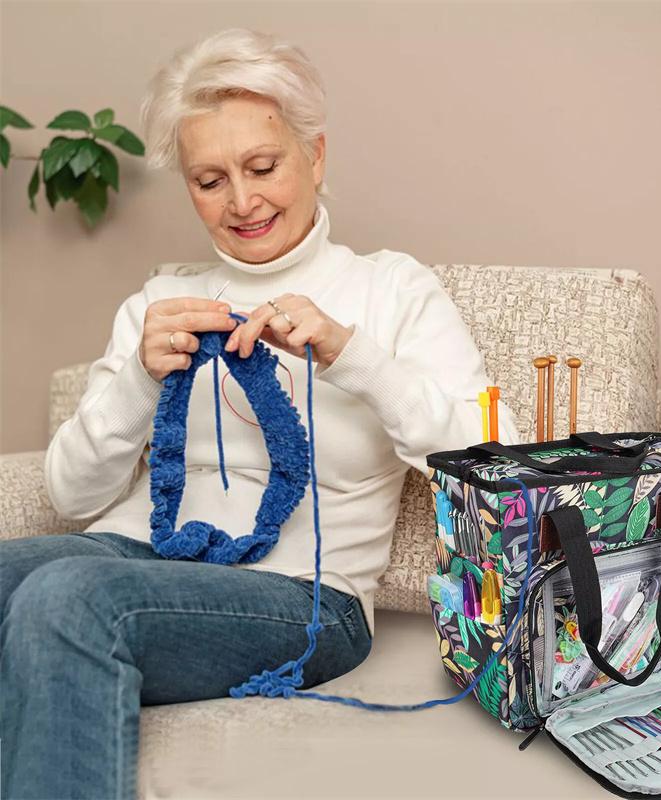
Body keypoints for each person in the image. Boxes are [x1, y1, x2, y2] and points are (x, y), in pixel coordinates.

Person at [0, 28, 520, 799]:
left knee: (66, 598)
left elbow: (497, 460)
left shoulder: (391, 291)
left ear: (316, 155)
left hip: (306, 600)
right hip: (142, 556)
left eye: (263, 167)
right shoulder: (157, 301)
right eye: (210, 180)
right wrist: (140, 380)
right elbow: (72, 496)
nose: (241, 201)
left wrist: (355, 356)